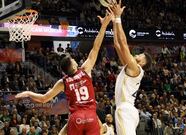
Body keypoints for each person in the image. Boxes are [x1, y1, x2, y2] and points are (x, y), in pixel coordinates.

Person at [15, 11, 113, 135]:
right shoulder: (85, 70)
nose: (75, 60)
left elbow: (44, 99)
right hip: (91, 116)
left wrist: (28, 92)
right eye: (73, 60)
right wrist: (104, 25)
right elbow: (96, 47)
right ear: (72, 65)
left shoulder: (63, 82)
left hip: (75, 117)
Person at [109, 1, 153, 135]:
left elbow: (123, 42)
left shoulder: (135, 68)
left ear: (143, 63)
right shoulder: (130, 67)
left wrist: (118, 18)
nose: (137, 55)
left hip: (125, 110)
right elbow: (117, 44)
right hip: (126, 110)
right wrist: (113, 22)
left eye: (141, 55)